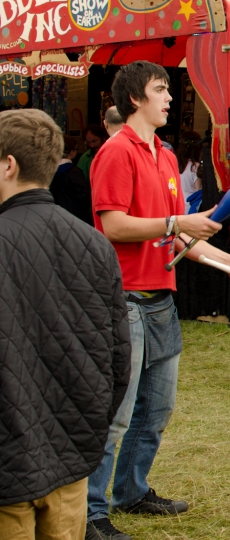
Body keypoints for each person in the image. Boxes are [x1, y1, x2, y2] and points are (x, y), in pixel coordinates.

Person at [85, 61, 230, 540]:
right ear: (134, 98)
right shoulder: (116, 153)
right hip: (123, 302)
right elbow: (113, 225)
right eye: (160, 90)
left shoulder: (164, 155)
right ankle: (91, 513)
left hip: (161, 301)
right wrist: (177, 223)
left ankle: (131, 491)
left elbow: (177, 238)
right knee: (116, 415)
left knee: (156, 409)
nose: (170, 98)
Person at [0, 110, 131, 540]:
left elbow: (117, 357)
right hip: (68, 451)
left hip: (29, 459)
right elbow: (118, 359)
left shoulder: (93, 244)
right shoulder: (94, 243)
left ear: (9, 165)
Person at [50, 135, 93, 225]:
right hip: (75, 218)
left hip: (54, 217)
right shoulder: (74, 173)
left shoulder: (47, 172)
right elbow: (84, 196)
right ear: (72, 152)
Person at [176, 131, 202, 203]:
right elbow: (198, 192)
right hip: (190, 206)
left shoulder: (174, 164)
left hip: (176, 205)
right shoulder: (196, 167)